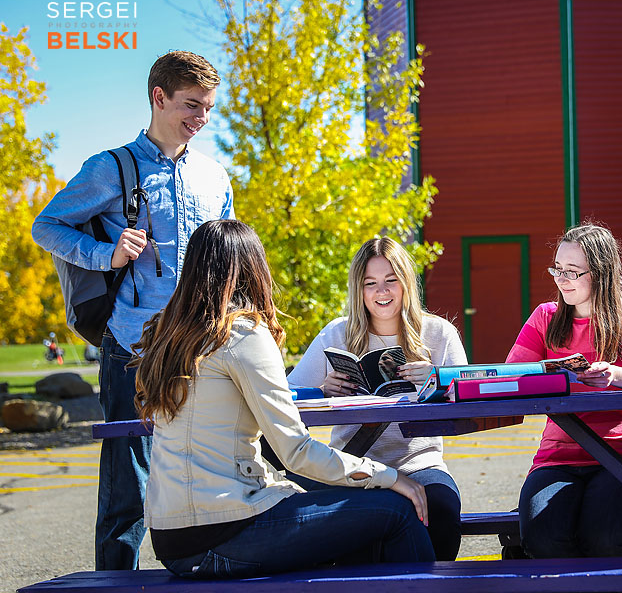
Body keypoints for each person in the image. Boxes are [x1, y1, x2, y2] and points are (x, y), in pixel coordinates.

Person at [132, 220, 432, 578]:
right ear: (252, 268)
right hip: (224, 530)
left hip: (172, 536)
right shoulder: (241, 334)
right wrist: (390, 476)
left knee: (345, 512)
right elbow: (296, 452)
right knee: (396, 510)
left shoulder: (170, 334)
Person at [32, 50, 234, 570]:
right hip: (132, 345)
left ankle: (210, 572)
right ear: (158, 97)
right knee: (128, 480)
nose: (201, 119)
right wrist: (107, 254)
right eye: (191, 105)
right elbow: (46, 227)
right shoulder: (110, 168)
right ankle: (117, 582)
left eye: (209, 108)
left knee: (216, 466)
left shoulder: (216, 177)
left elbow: (231, 256)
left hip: (206, 344)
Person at [287, 236, 467, 560]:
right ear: (359, 289)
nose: (381, 292)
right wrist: (322, 390)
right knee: (349, 524)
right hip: (352, 463)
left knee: (441, 506)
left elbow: (471, 397)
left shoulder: (439, 334)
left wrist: (438, 380)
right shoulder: (336, 333)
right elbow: (287, 396)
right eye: (370, 283)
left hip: (419, 462)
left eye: (390, 281)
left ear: (406, 283)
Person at [506, 223, 622, 558]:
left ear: (601, 273)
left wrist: (614, 374)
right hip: (556, 455)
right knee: (542, 538)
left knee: (605, 537)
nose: (562, 279)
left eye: (572, 271)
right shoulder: (546, 317)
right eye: (557, 269)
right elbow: (512, 377)